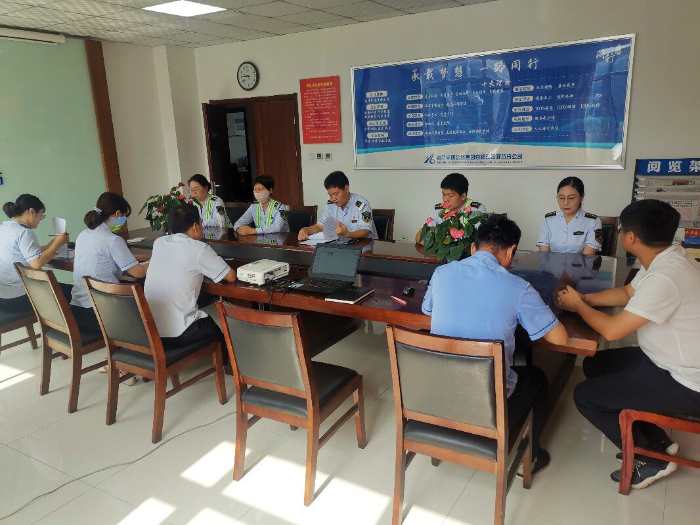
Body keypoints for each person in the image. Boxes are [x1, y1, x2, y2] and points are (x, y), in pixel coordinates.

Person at [558, 199, 700, 490]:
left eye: (622, 230)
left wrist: (578, 307)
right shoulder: (666, 257)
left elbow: (612, 331)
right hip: (666, 361)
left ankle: (651, 460)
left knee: (586, 396)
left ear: (631, 237)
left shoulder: (666, 276)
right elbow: (627, 293)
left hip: (687, 382)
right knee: (596, 364)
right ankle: (655, 440)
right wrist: (585, 300)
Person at [422, 216, 568, 476]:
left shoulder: (442, 273)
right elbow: (560, 338)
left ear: (473, 248)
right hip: (487, 407)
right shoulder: (518, 287)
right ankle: (530, 458)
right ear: (511, 251)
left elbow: (427, 309)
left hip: (437, 395)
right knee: (537, 378)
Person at [71, 193, 148, 385]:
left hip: (79, 309)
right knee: (145, 304)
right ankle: (125, 365)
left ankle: (115, 360)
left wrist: (138, 259)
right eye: (124, 216)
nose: (123, 221)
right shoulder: (112, 240)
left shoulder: (83, 235)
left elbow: (110, 258)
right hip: (101, 314)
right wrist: (156, 261)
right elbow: (138, 272)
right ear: (118, 213)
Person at [144, 204, 236, 362]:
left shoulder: (159, 242)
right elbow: (230, 276)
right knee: (215, 329)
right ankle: (228, 365)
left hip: (151, 331)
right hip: (180, 333)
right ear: (195, 226)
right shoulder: (199, 248)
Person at [0, 194, 69, 317]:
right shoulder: (24, 232)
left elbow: (25, 252)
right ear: (31, 211)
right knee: (73, 293)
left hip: (4, 298)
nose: (40, 219)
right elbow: (36, 263)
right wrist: (57, 244)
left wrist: (51, 244)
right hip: (22, 297)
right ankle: (70, 327)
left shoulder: (4, 228)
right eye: (41, 215)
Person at [298, 171, 377, 240]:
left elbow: (366, 231)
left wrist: (347, 234)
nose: (333, 198)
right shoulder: (330, 206)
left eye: (336, 194)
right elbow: (319, 226)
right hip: (341, 245)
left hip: (365, 246)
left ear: (346, 189)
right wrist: (305, 230)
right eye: (330, 195)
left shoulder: (362, 204)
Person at [537, 176, 602, 255]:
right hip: (552, 263)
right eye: (561, 198)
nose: (565, 203)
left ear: (582, 197)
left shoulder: (593, 221)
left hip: (580, 263)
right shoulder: (548, 220)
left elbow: (587, 257)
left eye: (571, 198)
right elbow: (544, 256)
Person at [415, 172, 487, 243]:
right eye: (444, 194)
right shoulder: (440, 210)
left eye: (450, 195)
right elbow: (419, 237)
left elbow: (482, 240)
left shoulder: (476, 209)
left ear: (463, 196)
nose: (445, 199)